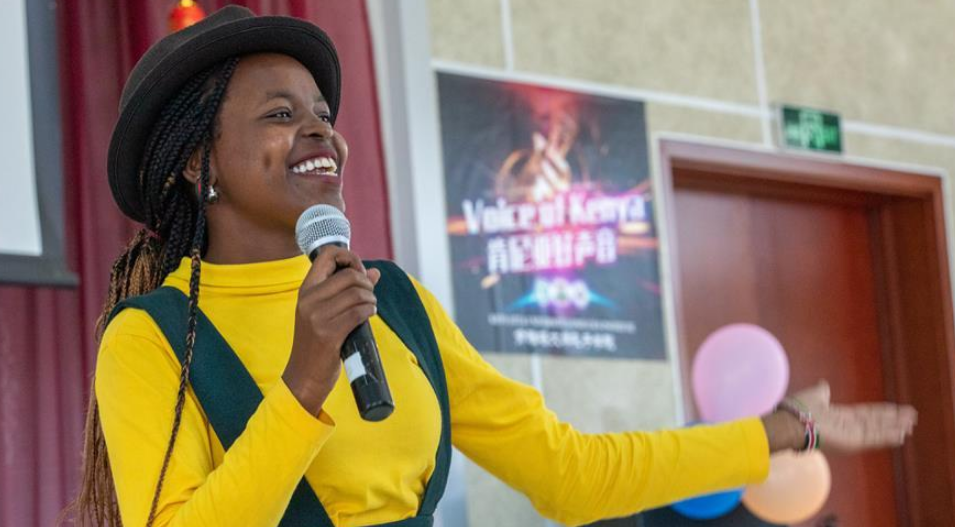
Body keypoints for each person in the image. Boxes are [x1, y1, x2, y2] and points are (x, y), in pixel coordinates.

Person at [65, 6, 917, 527]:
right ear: (195, 161)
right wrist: (302, 383)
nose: (320, 130)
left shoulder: (392, 300)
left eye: (323, 114)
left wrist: (785, 428)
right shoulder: (149, 339)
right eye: (280, 115)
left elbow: (571, 473)